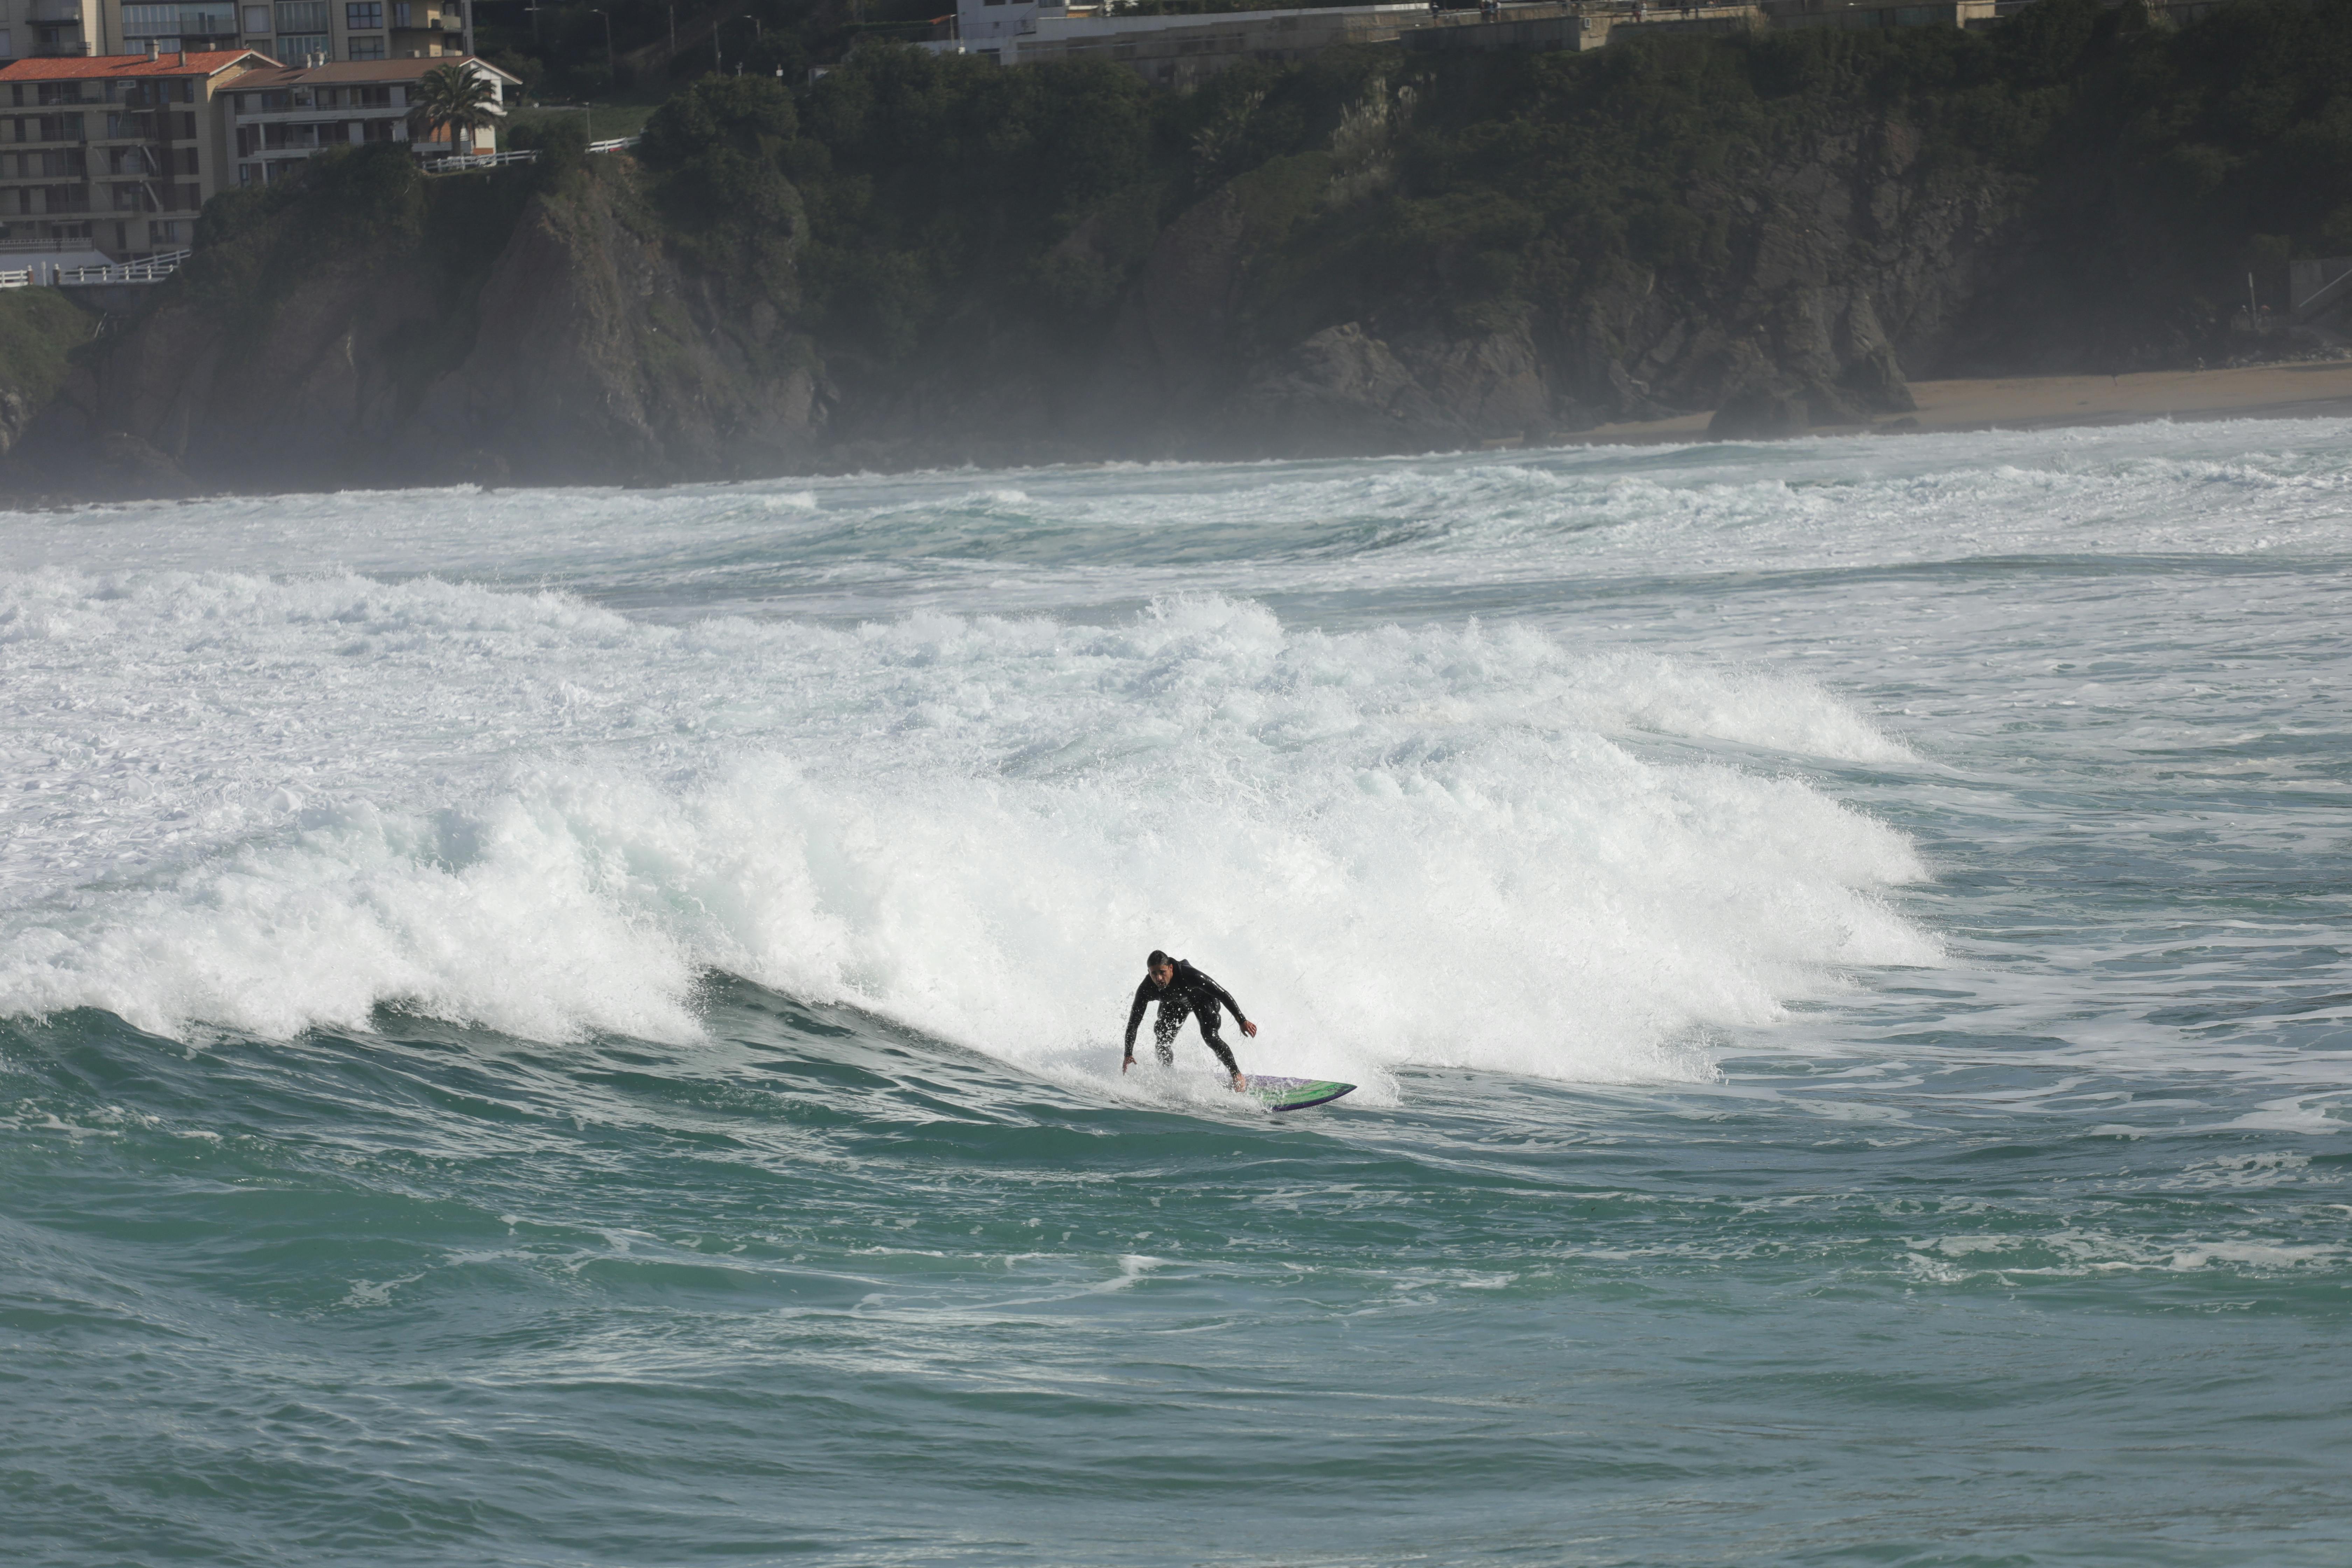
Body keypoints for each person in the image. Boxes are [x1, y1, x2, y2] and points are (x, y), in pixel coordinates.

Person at [1123, 949, 1258, 1091]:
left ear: (1171, 968)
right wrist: (1128, 1054)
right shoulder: (1147, 989)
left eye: (1162, 972)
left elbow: (1222, 994)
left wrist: (1242, 1020)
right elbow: (1134, 1024)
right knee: (1163, 1041)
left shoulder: (1188, 975)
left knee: (1210, 1036)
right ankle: (1167, 1074)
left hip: (1201, 1000)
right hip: (1174, 1005)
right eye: (1154, 974)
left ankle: (1236, 1074)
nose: (1159, 978)